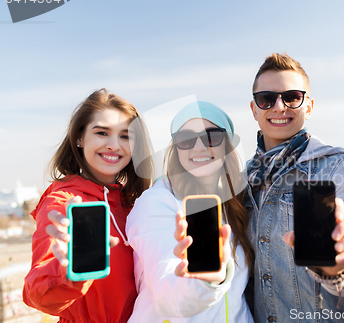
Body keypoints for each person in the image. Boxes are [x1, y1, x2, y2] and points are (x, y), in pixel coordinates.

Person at [246, 53, 344, 322]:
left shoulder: (337, 167)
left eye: (292, 97)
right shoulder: (243, 179)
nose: (279, 107)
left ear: (309, 106)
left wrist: (338, 269)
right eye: (266, 99)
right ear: (254, 109)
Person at [23, 88, 152, 323]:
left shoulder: (136, 205)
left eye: (125, 136)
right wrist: (70, 272)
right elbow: (39, 296)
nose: (114, 145)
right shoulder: (64, 204)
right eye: (102, 133)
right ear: (80, 138)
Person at [126, 101, 254, 322]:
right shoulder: (157, 203)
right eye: (186, 139)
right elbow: (169, 298)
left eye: (212, 137)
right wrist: (204, 281)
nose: (199, 147)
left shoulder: (236, 206)